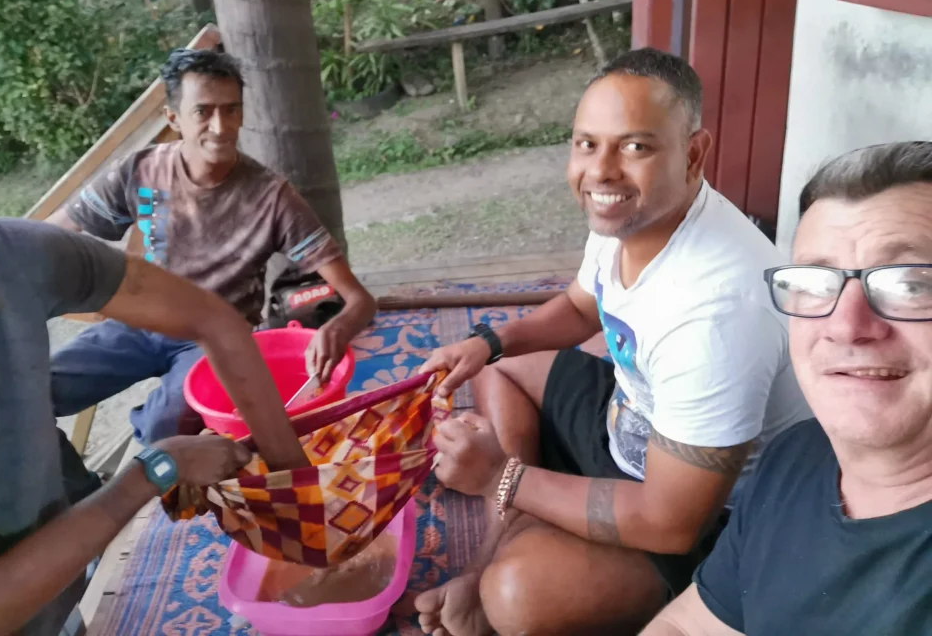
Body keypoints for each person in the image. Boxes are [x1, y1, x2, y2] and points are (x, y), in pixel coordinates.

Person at [414, 48, 812, 636]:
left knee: (516, 596)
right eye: (586, 143)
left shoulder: (716, 313)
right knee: (498, 369)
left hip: (703, 507)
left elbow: (671, 522)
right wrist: (488, 341)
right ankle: (508, 536)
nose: (600, 171)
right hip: (628, 419)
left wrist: (503, 477)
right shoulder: (629, 215)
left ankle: (508, 544)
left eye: (635, 146)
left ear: (694, 155)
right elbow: (581, 307)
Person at [0, 125, 309, 636]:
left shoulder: (12, 257)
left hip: (64, 585)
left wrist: (294, 484)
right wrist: (156, 469)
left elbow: (214, 319)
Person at [642, 141, 932, 636]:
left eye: (909, 282)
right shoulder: (796, 457)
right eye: (817, 282)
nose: (846, 325)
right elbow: (690, 626)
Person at [48, 48, 376, 444]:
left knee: (163, 431)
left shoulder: (272, 197)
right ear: (174, 119)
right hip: (140, 320)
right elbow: (52, 237)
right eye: (203, 111)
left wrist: (337, 327)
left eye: (231, 110)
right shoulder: (140, 170)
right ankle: (69, 490)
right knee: (36, 391)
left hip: (215, 338)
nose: (220, 126)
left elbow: (359, 300)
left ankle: (152, 468)